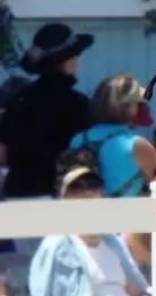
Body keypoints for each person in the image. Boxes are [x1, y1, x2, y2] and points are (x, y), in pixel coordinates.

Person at [26, 159, 150, 296]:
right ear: (65, 201)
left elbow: (139, 289)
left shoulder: (112, 242)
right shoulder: (56, 245)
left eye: (93, 187)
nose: (87, 192)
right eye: (77, 189)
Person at [0, 23, 92, 198]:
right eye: (73, 56)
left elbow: (2, 153)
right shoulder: (78, 104)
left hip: (17, 193)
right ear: (63, 61)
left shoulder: (18, 101)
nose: (76, 60)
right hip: (59, 194)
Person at [70, 74, 156, 198]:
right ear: (130, 107)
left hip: (85, 214)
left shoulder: (78, 140)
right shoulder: (139, 146)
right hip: (127, 215)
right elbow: (152, 180)